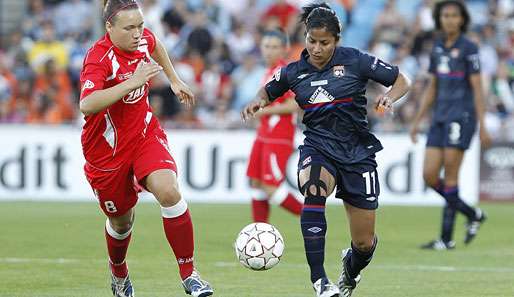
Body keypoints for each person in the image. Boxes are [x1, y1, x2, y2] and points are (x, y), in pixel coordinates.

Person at [242, 3, 410, 297]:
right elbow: (268, 90)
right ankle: (319, 280)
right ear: (304, 36)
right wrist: (257, 101)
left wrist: (389, 98)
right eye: (311, 41)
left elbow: (401, 79)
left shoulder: (356, 61)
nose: (317, 48)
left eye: (324, 42)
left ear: (337, 40)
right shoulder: (293, 71)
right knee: (315, 186)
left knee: (364, 243)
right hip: (318, 146)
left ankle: (350, 269)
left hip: (358, 152)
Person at [79, 1, 213, 296]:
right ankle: (119, 273)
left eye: (140, 25)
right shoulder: (99, 58)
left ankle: (189, 274)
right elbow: (86, 104)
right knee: (122, 220)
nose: (138, 33)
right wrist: (133, 83)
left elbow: (157, 45)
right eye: (130, 28)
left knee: (168, 190)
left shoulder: (142, 40)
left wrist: (175, 79)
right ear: (109, 28)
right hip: (106, 154)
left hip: (144, 135)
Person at [410, 0, 490, 250]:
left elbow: (478, 88)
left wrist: (483, 123)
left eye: (454, 15)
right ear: (440, 19)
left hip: (461, 117)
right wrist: (417, 119)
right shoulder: (437, 47)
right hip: (439, 118)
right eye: (445, 15)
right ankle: (472, 214)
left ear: (462, 19)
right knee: (429, 175)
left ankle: (446, 239)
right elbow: (432, 86)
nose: (450, 20)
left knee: (451, 176)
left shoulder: (469, 48)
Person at [246, 29, 303, 223]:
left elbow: (295, 104)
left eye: (274, 47)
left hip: (279, 136)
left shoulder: (284, 73)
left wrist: (264, 111)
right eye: (266, 46)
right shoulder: (269, 72)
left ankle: (312, 219)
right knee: (256, 183)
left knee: (271, 187)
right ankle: (260, 232)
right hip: (263, 134)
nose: (269, 51)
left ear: (285, 49)